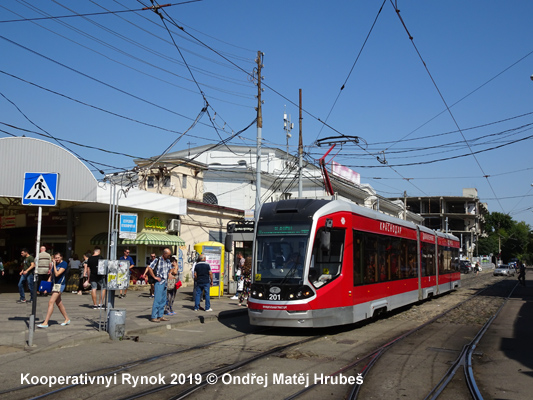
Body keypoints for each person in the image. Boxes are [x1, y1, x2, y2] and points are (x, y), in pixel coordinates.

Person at [37, 252, 70, 328]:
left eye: (58, 257)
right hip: (55, 285)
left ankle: (46, 322)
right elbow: (51, 275)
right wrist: (47, 286)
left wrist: (54, 265)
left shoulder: (64, 264)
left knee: (51, 302)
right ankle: (67, 319)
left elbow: (57, 274)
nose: (57, 259)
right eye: (55, 258)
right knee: (59, 303)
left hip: (60, 285)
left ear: (61, 257)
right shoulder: (54, 264)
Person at [146, 248, 174, 322]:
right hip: (159, 282)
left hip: (165, 282)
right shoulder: (157, 260)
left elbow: (171, 269)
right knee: (157, 300)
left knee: (163, 300)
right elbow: (149, 268)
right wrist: (154, 277)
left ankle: (160, 315)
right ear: (164, 254)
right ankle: (154, 316)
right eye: (168, 255)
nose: (169, 256)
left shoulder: (168, 261)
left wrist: (170, 273)